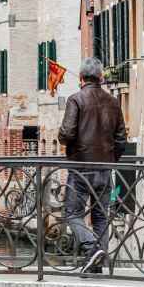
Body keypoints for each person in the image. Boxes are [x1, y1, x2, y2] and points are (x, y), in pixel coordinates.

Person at [58, 56, 126, 274]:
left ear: (80, 78)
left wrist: (61, 137)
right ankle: (97, 263)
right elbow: (121, 139)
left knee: (71, 213)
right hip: (105, 168)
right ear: (101, 77)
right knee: (100, 215)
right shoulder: (113, 102)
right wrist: (110, 160)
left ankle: (91, 247)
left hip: (80, 167)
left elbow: (66, 133)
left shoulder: (76, 100)